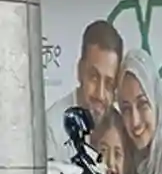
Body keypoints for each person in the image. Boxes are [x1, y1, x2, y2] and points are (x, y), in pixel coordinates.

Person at [46, 20, 123, 163]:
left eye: (109, 83)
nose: (100, 95)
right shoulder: (52, 129)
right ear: (80, 71)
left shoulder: (121, 128)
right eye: (94, 77)